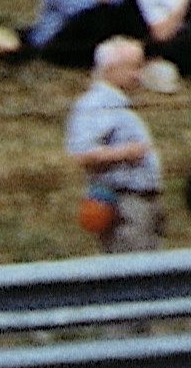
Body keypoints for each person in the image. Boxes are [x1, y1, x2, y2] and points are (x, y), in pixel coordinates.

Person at [68, 34, 159, 252]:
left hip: (142, 202)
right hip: (124, 203)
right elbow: (82, 153)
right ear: (110, 69)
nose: (139, 75)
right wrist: (126, 153)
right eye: (133, 67)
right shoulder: (96, 105)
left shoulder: (120, 105)